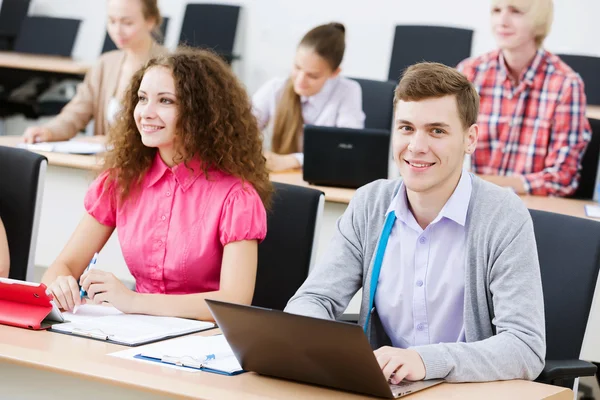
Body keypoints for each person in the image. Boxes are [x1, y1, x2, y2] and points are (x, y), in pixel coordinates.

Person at [285, 62, 545, 383]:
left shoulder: (502, 214)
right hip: (388, 389)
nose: (417, 146)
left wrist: (426, 360)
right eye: (407, 128)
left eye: (437, 130)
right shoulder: (370, 203)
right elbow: (313, 300)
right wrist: (325, 347)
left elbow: (525, 347)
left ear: (470, 138)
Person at [41, 48, 272, 321]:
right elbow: (63, 266)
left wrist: (133, 300)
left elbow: (234, 301)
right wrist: (60, 283)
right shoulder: (121, 181)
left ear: (200, 113)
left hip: (203, 344)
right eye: (142, 99)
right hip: (132, 333)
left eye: (165, 101)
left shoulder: (236, 197)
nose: (146, 113)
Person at [457, 0, 590, 196]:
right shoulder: (469, 72)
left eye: (516, 11)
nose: (502, 21)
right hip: (469, 202)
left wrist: (482, 183)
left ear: (539, 20)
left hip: (528, 210)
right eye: (496, 10)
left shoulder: (566, 84)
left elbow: (562, 178)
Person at [23, 0, 167, 143]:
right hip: (105, 162)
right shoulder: (105, 63)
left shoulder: (169, 67)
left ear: (150, 21)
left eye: (127, 23)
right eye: (112, 21)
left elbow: (171, 130)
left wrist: (110, 141)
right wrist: (49, 131)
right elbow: (77, 112)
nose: (117, 30)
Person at [252, 22, 365, 172]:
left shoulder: (348, 91)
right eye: (297, 67)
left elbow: (347, 149)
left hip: (324, 180)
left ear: (335, 73)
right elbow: (240, 129)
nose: (300, 80)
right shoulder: (275, 88)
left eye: (313, 75)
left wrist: (294, 160)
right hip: (279, 179)